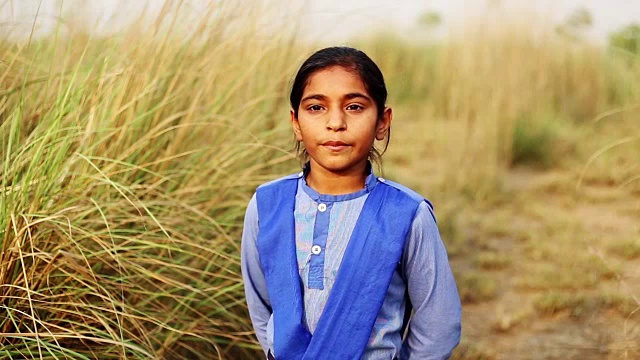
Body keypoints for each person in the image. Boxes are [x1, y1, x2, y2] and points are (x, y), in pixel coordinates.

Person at [241, 46, 461, 360]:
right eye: (316, 108)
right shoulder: (267, 206)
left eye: (355, 107)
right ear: (296, 122)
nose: (335, 123)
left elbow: (439, 322)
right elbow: (261, 304)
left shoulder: (406, 214)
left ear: (382, 121)